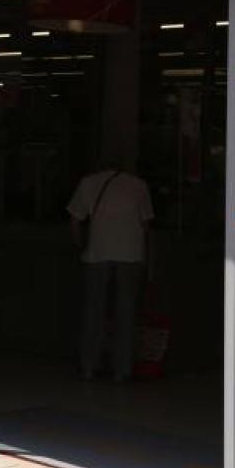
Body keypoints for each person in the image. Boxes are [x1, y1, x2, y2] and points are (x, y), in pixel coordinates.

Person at [67, 159, 153, 382]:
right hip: (130, 254)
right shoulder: (139, 185)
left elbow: (75, 221)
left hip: (97, 253)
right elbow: (145, 225)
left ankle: (89, 366)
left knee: (93, 311)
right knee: (126, 312)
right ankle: (121, 370)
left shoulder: (88, 183)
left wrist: (81, 246)